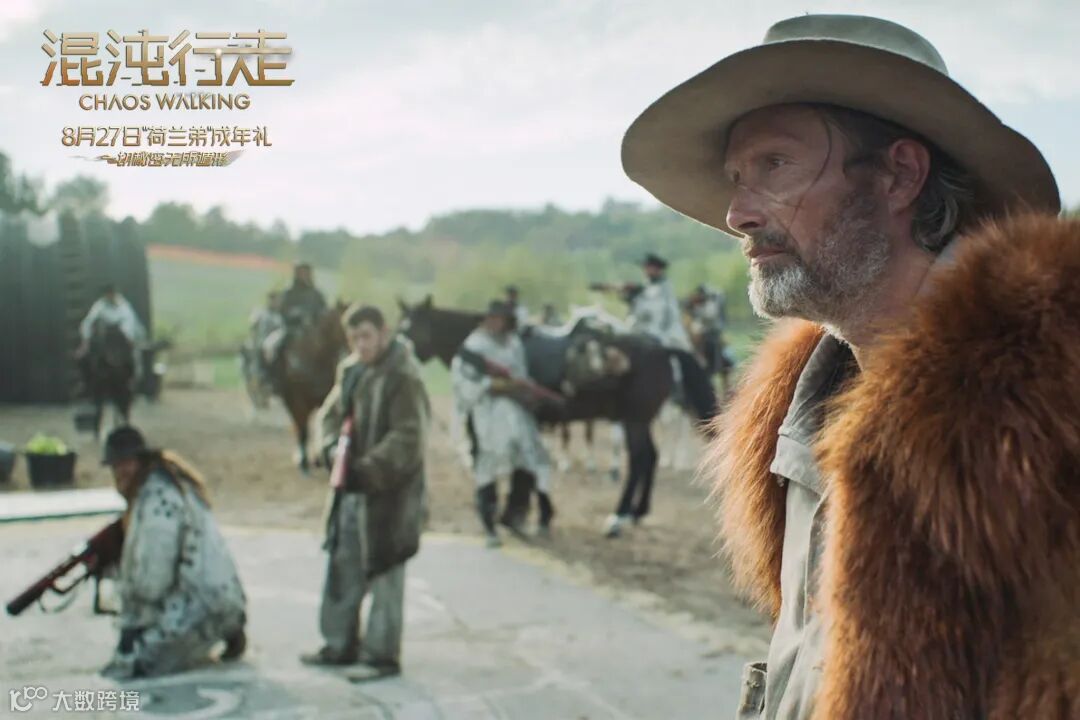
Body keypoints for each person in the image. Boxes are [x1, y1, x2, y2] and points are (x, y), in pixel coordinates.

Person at [622, 13, 1074, 720]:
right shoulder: (799, 410)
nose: (737, 213)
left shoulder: (1052, 411)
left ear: (899, 175)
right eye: (737, 178)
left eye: (774, 165)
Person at [302, 304, 430, 679]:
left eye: (367, 336)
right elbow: (329, 416)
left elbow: (409, 436)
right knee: (342, 563)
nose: (361, 345)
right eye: (354, 338)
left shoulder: (404, 376)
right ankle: (338, 644)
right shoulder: (352, 371)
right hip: (350, 489)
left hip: (391, 495)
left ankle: (380, 656)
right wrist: (330, 451)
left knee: (386, 572)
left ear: (384, 333)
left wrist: (370, 468)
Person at [99, 426, 247, 680]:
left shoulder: (156, 501)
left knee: (130, 667)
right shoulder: (172, 486)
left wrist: (131, 621)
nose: (120, 473)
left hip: (201, 607)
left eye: (125, 464)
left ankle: (211, 630)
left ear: (140, 462)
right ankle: (227, 628)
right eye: (116, 466)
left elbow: (152, 583)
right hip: (221, 599)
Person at [451, 300, 554, 546]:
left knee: (528, 460)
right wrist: (495, 385)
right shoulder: (474, 346)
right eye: (493, 318)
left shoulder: (513, 343)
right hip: (486, 414)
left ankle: (515, 514)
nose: (496, 323)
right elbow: (464, 384)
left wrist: (522, 390)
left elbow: (520, 375)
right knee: (487, 466)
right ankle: (489, 523)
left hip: (516, 412)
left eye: (501, 319)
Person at [77, 284, 147, 386]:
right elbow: (87, 323)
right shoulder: (100, 306)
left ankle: (133, 382)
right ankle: (87, 384)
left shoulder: (124, 306)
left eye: (112, 294)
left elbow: (133, 324)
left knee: (136, 357)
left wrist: (133, 338)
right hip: (106, 341)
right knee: (82, 358)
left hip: (124, 342)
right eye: (108, 295)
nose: (110, 296)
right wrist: (85, 342)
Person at [625, 254, 691, 352]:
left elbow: (658, 311)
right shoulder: (646, 287)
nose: (646, 270)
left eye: (648, 267)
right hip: (643, 331)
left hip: (666, 333)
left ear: (657, 269)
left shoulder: (664, 288)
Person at [685, 284, 729, 376]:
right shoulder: (696, 306)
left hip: (712, 334)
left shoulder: (712, 303)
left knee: (726, 359)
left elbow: (710, 316)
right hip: (702, 334)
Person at [281, 263, 328, 329]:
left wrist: (315, 316)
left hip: (314, 327)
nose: (303, 276)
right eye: (301, 273)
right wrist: (298, 314)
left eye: (306, 273)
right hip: (292, 327)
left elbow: (324, 309)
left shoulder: (317, 294)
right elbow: (283, 312)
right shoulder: (289, 293)